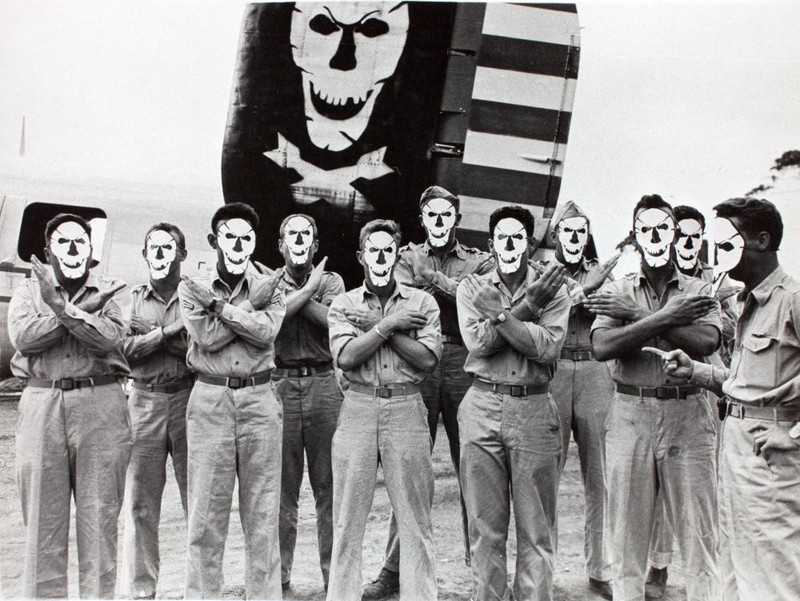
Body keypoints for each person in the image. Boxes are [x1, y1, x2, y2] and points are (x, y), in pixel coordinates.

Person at [659, 197, 800, 600]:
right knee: (734, 569)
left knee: (773, 573)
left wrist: (793, 435)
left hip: (770, 456)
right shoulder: (746, 302)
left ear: (761, 240)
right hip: (735, 448)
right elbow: (750, 384)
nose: (716, 253)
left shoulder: (792, 299)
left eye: (726, 242)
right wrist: (697, 371)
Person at [585, 194, 721, 600]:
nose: (655, 235)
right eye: (646, 228)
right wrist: (667, 318)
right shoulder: (618, 289)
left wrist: (636, 315)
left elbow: (706, 340)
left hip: (689, 413)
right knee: (626, 535)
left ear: (675, 232)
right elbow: (603, 346)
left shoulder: (698, 288)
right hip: (630, 413)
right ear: (635, 235)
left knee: (699, 536)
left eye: (663, 227)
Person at [362, 186, 494, 598]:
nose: (439, 221)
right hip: (418, 359)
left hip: (465, 360)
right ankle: (394, 569)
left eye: (446, 213)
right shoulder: (404, 257)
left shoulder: (479, 259)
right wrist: (455, 293)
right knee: (409, 472)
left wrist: (433, 280)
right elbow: (404, 306)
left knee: (474, 469)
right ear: (422, 219)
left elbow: (483, 303)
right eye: (431, 214)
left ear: (457, 217)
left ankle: (483, 572)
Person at [8, 213, 132, 598]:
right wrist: (82, 313)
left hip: (101, 404)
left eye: (82, 242)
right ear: (48, 252)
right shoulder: (28, 291)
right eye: (63, 242)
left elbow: (109, 339)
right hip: (41, 403)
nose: (74, 249)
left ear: (93, 250)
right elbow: (24, 337)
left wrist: (59, 308)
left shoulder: (113, 290)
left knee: (100, 520)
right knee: (42, 522)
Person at [456, 205, 570, 601]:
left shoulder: (552, 286)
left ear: (529, 243)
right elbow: (479, 344)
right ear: (490, 244)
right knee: (484, 526)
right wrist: (526, 311)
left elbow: (546, 347)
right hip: (482, 403)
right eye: (501, 238)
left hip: (534, 406)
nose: (508, 245)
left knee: (536, 528)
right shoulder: (473, 287)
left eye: (517, 237)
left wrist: (502, 316)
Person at [326, 219, 442, 601]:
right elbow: (347, 357)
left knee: (415, 521)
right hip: (358, 407)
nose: (380, 257)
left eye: (388, 250)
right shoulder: (344, 304)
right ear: (361, 256)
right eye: (372, 250)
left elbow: (427, 359)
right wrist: (391, 324)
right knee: (347, 521)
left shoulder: (422, 303)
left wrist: (376, 326)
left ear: (396, 255)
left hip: (407, 405)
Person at [178, 202, 285, 599]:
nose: (238, 245)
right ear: (214, 241)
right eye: (230, 237)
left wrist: (219, 309)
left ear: (255, 242)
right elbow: (207, 338)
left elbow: (265, 334)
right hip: (210, 398)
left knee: (263, 513)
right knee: (205, 515)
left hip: (260, 398)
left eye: (246, 238)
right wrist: (247, 311)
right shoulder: (193, 286)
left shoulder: (271, 285)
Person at [265, 214, 345, 593]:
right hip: (279, 384)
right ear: (281, 244)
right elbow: (269, 325)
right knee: (282, 489)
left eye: (305, 235)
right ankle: (279, 578)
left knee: (329, 488)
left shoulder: (331, 281)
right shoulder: (267, 281)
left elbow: (332, 320)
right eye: (291, 235)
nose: (298, 241)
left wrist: (296, 296)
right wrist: (303, 294)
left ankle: (334, 578)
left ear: (315, 245)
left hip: (323, 385)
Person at [548, 201, 617, 599]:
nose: (575, 238)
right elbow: (544, 310)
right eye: (568, 230)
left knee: (600, 474)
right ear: (555, 234)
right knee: (546, 473)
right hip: (554, 370)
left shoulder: (602, 272)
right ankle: (544, 568)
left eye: (581, 231)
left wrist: (579, 296)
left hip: (594, 369)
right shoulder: (541, 271)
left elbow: (609, 311)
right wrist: (581, 295)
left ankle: (601, 568)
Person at [121, 223, 193, 599]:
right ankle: (141, 590)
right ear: (145, 254)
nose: (161, 254)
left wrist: (146, 333)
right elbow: (121, 351)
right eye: (154, 248)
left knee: (196, 501)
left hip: (189, 401)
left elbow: (203, 350)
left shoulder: (195, 298)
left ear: (183, 253)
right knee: (140, 504)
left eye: (170, 247)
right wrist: (167, 333)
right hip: (143, 403)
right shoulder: (131, 299)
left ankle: (198, 589)